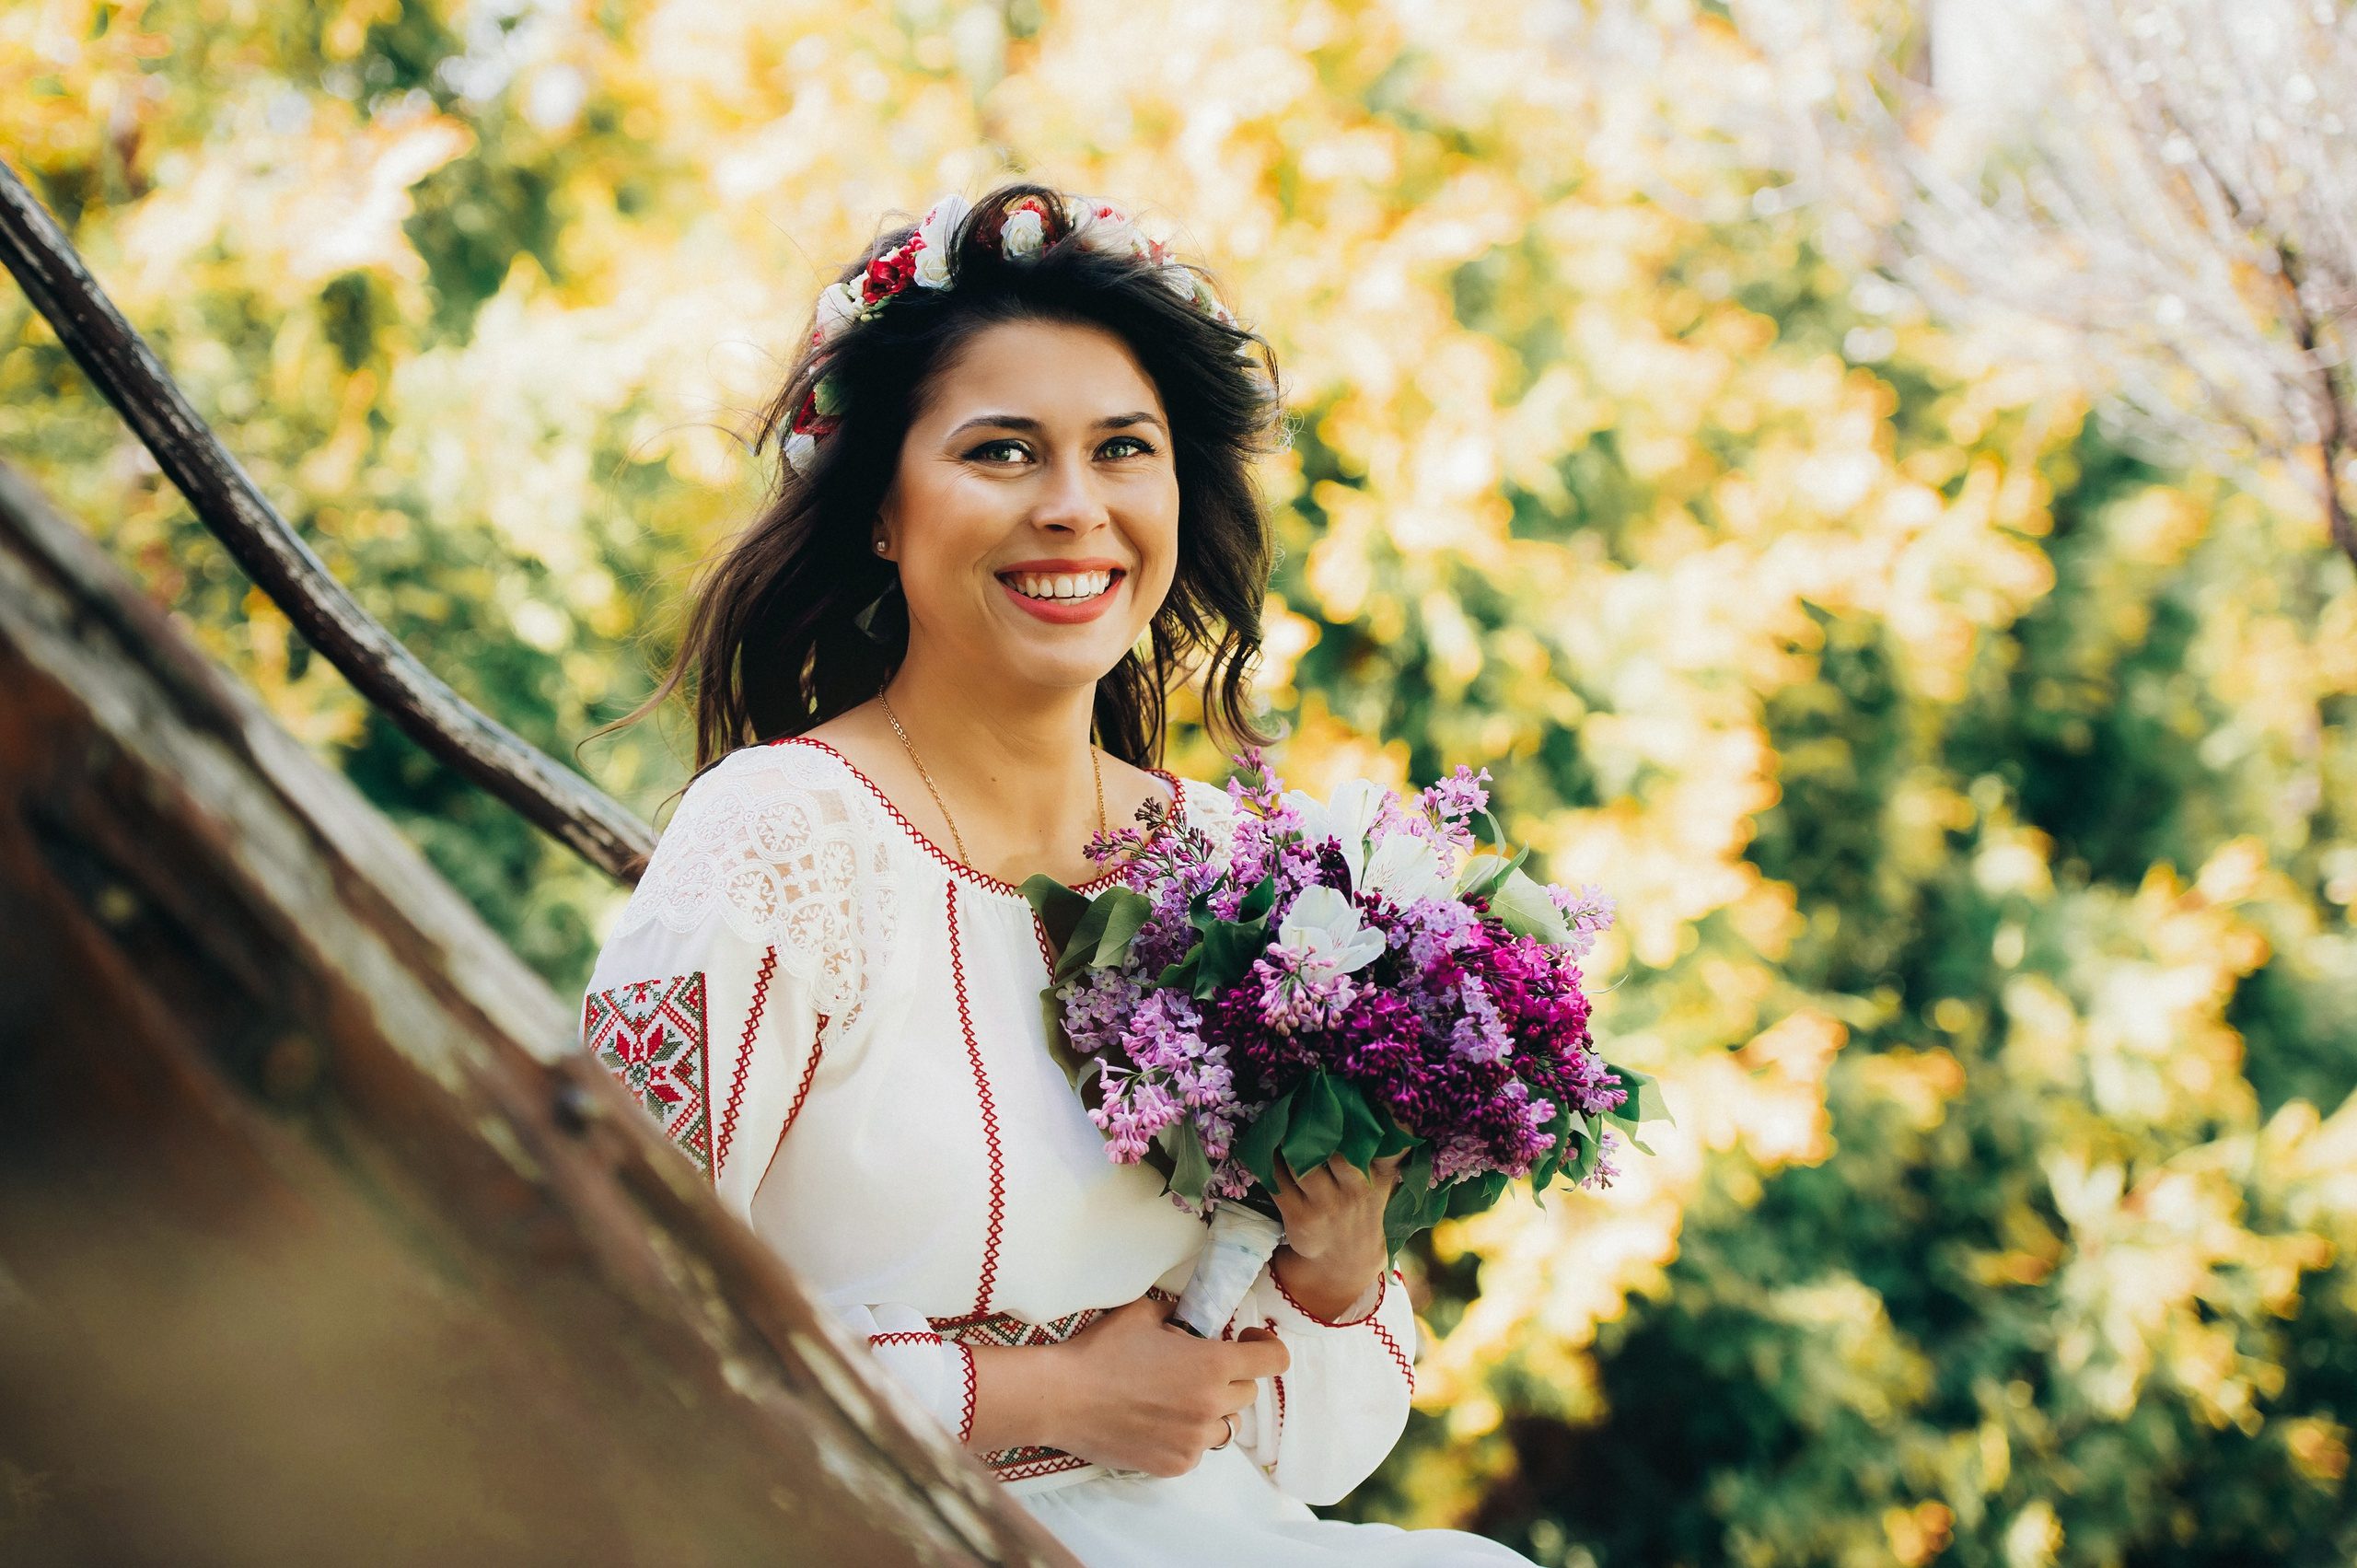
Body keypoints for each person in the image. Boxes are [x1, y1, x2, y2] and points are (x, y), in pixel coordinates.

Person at [583, 184, 1532, 1566]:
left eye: (1122, 451)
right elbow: (601, 1297)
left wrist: (1339, 1271)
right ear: (884, 516)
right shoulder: (780, 840)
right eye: (1003, 453)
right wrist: (1039, 1398)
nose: (1074, 509)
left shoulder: (1241, 876)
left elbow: (1311, 1451)